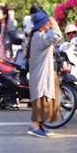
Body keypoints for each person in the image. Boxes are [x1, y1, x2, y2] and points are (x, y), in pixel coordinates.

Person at [27, 10, 63, 138]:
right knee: (41, 99)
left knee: (45, 100)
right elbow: (56, 36)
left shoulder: (40, 36)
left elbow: (59, 40)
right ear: (42, 24)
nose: (49, 24)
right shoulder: (39, 36)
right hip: (41, 74)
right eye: (47, 22)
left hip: (44, 73)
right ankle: (35, 126)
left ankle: (40, 126)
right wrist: (55, 25)